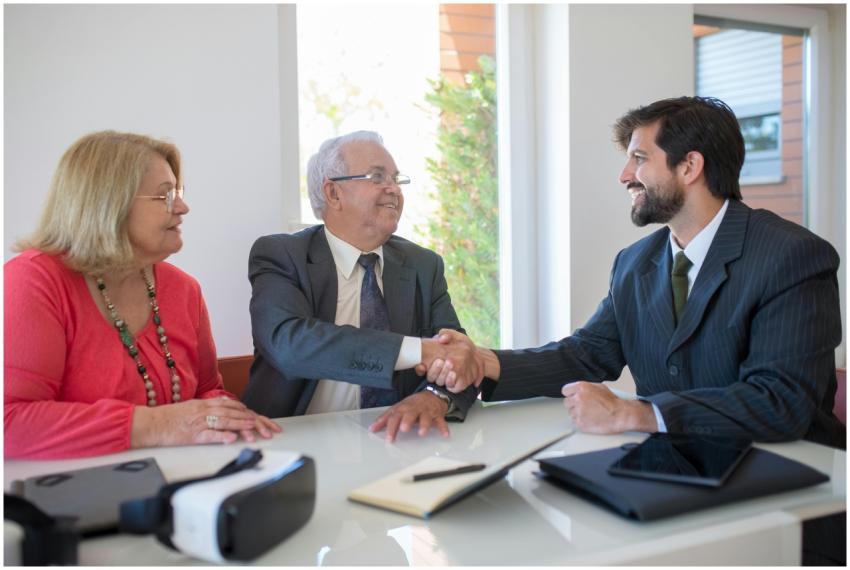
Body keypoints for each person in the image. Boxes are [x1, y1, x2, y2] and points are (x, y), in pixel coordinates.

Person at [425, 96, 844, 450]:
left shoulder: (793, 256)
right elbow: (586, 355)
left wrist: (633, 413)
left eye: (639, 159)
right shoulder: (635, 263)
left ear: (689, 167)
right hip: (677, 469)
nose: (625, 175)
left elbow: (779, 403)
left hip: (792, 485)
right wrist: (481, 361)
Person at [5, 131, 281, 460]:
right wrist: (159, 425)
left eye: (178, 192)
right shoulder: (33, 280)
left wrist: (230, 418)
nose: (182, 207)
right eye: (164, 195)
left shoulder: (184, 289)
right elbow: (9, 423)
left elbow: (208, 391)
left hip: (181, 482)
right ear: (106, 203)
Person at [244, 130, 479, 442]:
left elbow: (461, 358)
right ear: (333, 194)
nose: (394, 189)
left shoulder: (423, 265)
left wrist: (435, 397)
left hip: (397, 443)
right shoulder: (282, 256)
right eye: (377, 176)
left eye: (397, 179)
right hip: (291, 442)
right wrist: (417, 351)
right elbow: (291, 344)